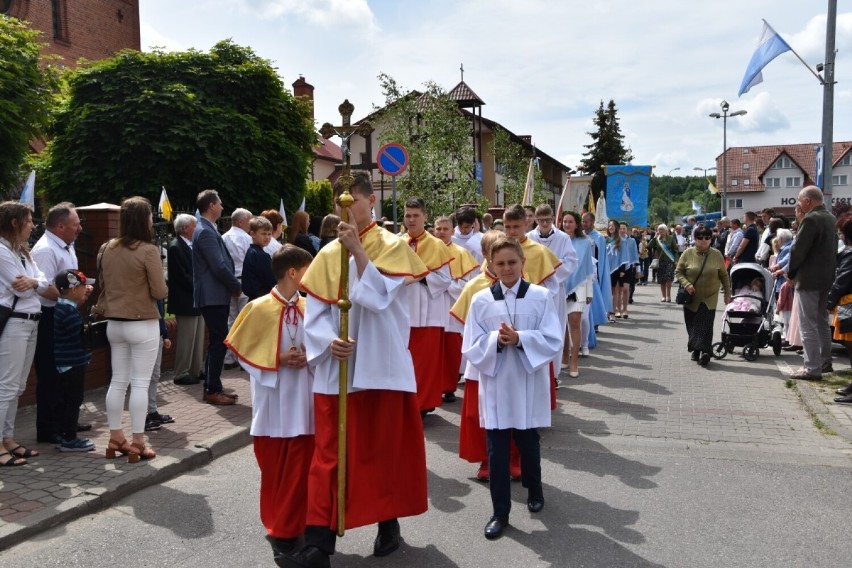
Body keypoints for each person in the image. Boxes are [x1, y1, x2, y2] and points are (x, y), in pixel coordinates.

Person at [285, 172, 429, 568]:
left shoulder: (391, 245)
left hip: (381, 367)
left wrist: (359, 253)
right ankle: (318, 545)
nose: (346, 209)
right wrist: (326, 341)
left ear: (371, 204)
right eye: (339, 203)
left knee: (381, 452)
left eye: (354, 201)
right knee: (328, 457)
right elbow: (314, 313)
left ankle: (388, 523)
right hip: (338, 370)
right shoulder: (328, 254)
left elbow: (381, 298)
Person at [462, 235, 562, 540]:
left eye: (512, 262)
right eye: (500, 263)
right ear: (491, 265)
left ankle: (535, 487)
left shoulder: (540, 297)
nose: (506, 268)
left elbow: (553, 339)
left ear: (523, 263)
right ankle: (500, 512)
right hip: (495, 382)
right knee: (497, 449)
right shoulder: (480, 300)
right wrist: (496, 340)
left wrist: (521, 339)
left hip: (527, 379)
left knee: (528, 440)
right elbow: (471, 344)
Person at [225, 244, 316, 563]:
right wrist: (277, 358)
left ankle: (292, 529)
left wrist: (311, 356)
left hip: (304, 405)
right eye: (308, 269)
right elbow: (241, 352)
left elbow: (323, 346)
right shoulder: (257, 308)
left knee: (301, 472)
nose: (312, 275)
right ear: (293, 272)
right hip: (274, 405)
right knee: (275, 472)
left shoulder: (312, 307)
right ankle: (281, 526)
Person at [97, 196, 168, 463]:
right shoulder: (148, 250)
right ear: (144, 219)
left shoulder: (107, 248)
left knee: (118, 381)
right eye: (150, 215)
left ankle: (116, 436)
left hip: (115, 324)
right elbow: (159, 291)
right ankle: (138, 442)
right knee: (139, 383)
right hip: (142, 323)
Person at [31, 202, 87, 444]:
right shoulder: (45, 250)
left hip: (65, 311)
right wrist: (72, 296)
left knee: (66, 372)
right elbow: (45, 288)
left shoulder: (67, 246)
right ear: (61, 226)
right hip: (51, 318)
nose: (80, 228)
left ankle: (66, 421)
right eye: (76, 224)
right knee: (51, 373)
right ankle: (48, 428)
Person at [450, 231, 504, 481]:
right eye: (495, 252)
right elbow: (464, 326)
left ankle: (513, 457)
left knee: (511, 410)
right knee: (478, 414)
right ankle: (486, 460)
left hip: (512, 360)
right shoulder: (474, 287)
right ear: (485, 256)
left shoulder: (522, 281)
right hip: (482, 360)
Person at [0, 201, 49, 466]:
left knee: (17, 386)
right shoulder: (1, 251)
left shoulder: (22, 252)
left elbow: (43, 281)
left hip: (31, 322)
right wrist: (34, 284)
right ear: (14, 222)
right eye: (29, 221)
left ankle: (8, 438)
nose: (33, 225)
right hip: (15, 323)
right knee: (6, 385)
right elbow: (22, 289)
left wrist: (34, 282)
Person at [402, 197, 453, 415]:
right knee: (405, 362)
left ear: (425, 217)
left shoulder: (436, 245)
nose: (411, 220)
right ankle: (407, 404)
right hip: (402, 311)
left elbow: (445, 279)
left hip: (428, 312)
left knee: (425, 364)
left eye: (415, 215)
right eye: (407, 215)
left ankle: (422, 405)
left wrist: (420, 276)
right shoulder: (396, 243)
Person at [193, 189, 242, 406]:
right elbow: (218, 266)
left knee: (218, 341)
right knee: (219, 342)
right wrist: (236, 286)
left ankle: (214, 386)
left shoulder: (207, 229)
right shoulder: (204, 231)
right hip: (212, 296)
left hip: (216, 295)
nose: (222, 207)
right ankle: (212, 389)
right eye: (219, 203)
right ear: (212, 205)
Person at [787, 186, 837, 380]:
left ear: (807, 201)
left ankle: (812, 368)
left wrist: (791, 272)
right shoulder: (831, 218)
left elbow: (798, 250)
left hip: (808, 279)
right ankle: (825, 362)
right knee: (822, 322)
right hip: (826, 278)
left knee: (807, 324)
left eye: (799, 201)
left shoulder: (810, 219)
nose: (798, 204)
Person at [527, 204, 577, 376]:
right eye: (541, 221)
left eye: (548, 220)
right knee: (534, 328)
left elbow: (571, 261)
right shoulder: (529, 238)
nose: (545, 223)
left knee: (555, 329)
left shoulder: (563, 238)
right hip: (533, 289)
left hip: (555, 289)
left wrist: (550, 276)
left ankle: (553, 374)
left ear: (553, 217)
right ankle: (536, 370)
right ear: (535, 220)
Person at [433, 216, 479, 403]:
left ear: (453, 231)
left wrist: (444, 285)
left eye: (446, 229)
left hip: (452, 307)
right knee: (434, 352)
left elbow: (468, 285)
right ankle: (433, 388)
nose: (442, 232)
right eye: (439, 229)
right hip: (432, 307)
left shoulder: (461, 253)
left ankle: (449, 387)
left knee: (451, 349)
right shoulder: (426, 251)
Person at [675, 226, 731, 367]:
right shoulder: (688, 253)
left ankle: (705, 352)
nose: (704, 240)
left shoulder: (717, 254)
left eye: (707, 237)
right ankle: (695, 349)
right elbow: (679, 272)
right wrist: (687, 284)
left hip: (710, 296)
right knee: (692, 326)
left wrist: (727, 293)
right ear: (695, 239)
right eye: (700, 238)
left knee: (705, 324)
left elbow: (724, 275)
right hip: (692, 297)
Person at [52, 269, 96, 451]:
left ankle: (64, 433)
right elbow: (79, 335)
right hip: (72, 362)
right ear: (71, 289)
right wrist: (91, 323)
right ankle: (69, 438)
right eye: (82, 286)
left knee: (68, 399)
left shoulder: (64, 307)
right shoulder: (67, 311)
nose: (86, 289)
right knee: (74, 399)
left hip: (67, 362)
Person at [167, 214, 205, 386]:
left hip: (197, 299)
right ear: (185, 228)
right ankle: (181, 372)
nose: (197, 228)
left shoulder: (193, 245)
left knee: (198, 338)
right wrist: (200, 286)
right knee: (186, 338)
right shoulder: (176, 247)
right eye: (194, 225)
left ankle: (195, 370)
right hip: (186, 299)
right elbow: (182, 276)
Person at [561, 211, 595, 378]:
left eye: (570, 222)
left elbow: (588, 268)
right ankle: (564, 357)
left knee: (575, 322)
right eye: (564, 221)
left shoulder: (584, 242)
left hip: (579, 286)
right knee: (563, 325)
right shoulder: (557, 240)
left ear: (576, 224)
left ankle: (574, 362)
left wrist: (589, 291)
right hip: (560, 286)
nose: (567, 225)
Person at [222, 207, 253, 370]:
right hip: (243, 282)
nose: (251, 224)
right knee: (245, 321)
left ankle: (229, 356)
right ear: (241, 222)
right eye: (249, 221)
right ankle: (242, 358)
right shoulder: (246, 239)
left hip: (228, 282)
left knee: (231, 320)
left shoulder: (223, 237)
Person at [144, 299, 174, 432]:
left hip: (158, 333)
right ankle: (143, 417)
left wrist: (165, 335)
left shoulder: (158, 291)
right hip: (145, 334)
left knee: (155, 375)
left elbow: (161, 314)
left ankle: (152, 411)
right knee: (143, 377)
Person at [241, 216, 276, 301]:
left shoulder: (251, 251)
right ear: (253, 234)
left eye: (269, 234)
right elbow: (271, 280)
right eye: (263, 234)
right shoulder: (261, 255)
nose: (267, 237)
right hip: (262, 298)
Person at [648, 224, 679, 302]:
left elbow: (675, 250)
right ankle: (663, 296)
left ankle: (668, 296)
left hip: (669, 261)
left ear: (666, 230)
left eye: (662, 229)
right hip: (660, 261)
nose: (660, 231)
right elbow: (649, 246)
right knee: (662, 279)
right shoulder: (656, 239)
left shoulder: (671, 238)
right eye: (659, 229)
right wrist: (654, 237)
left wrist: (676, 260)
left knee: (669, 279)